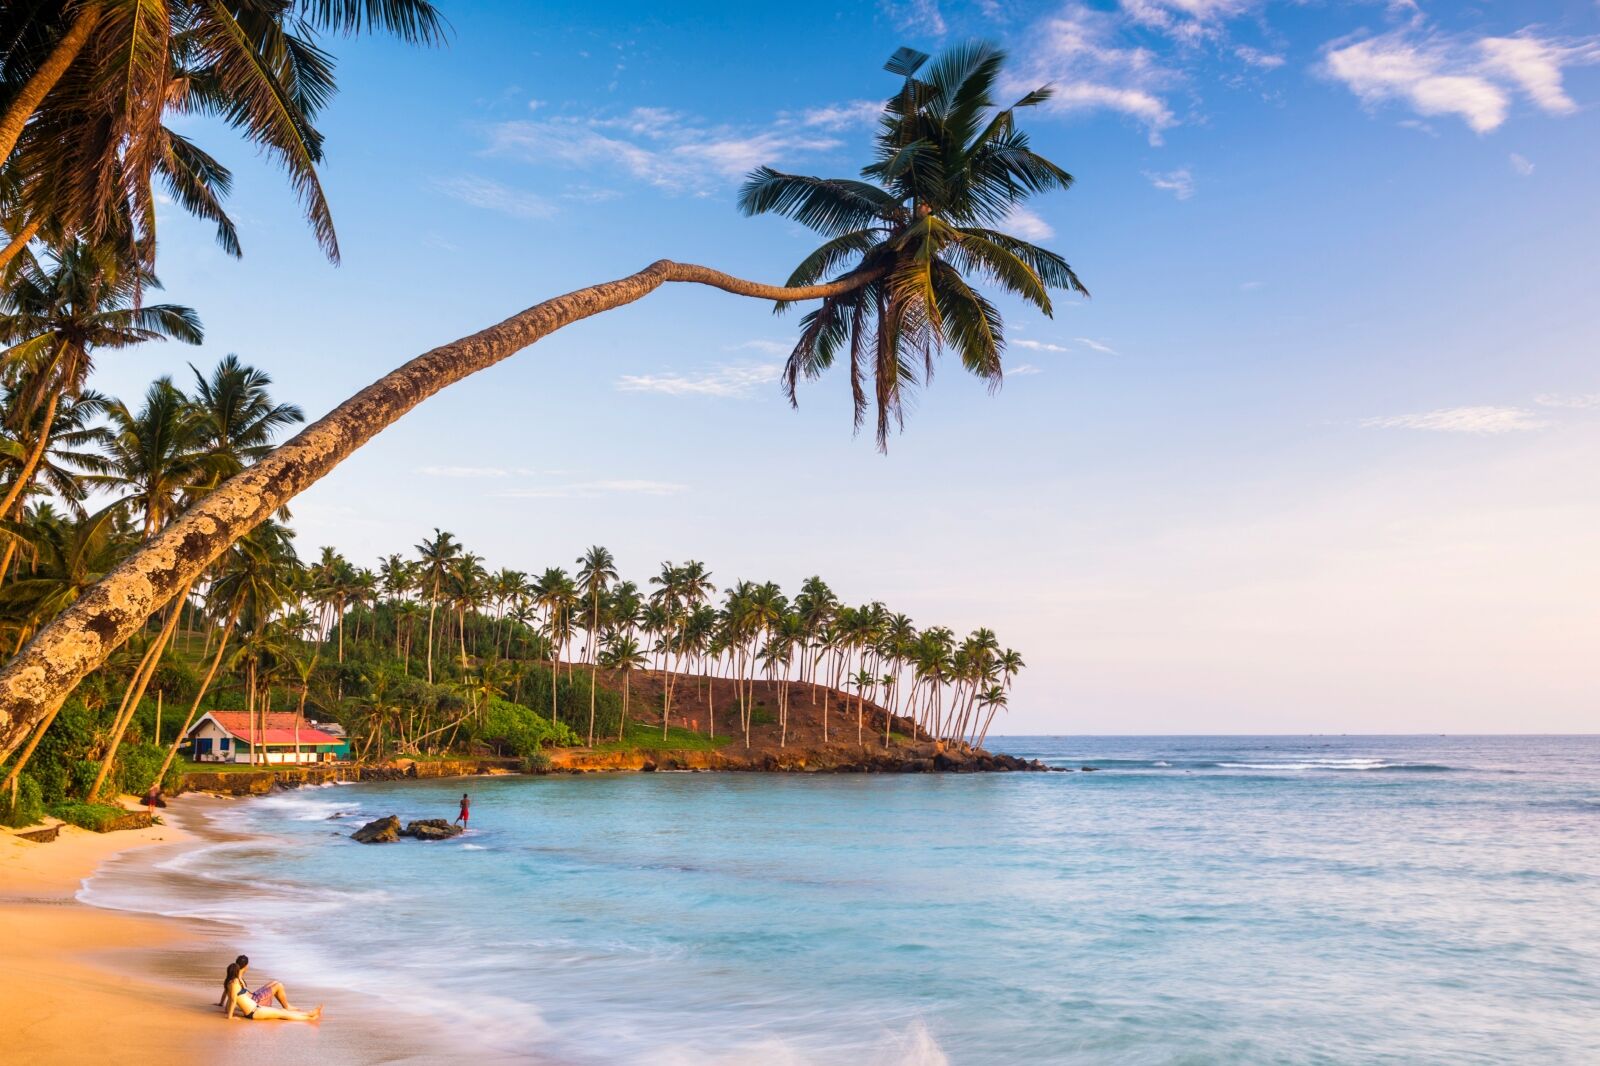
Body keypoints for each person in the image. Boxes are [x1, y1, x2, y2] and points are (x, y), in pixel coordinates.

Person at [221, 956, 322, 1022]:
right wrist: (230, 1017)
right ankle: (309, 1016)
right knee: (282, 1014)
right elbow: (233, 999)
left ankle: (309, 1014)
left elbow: (231, 998)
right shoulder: (234, 983)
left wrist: (225, 1008)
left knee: (283, 1012)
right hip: (254, 1012)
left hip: (256, 1009)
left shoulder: (231, 983)